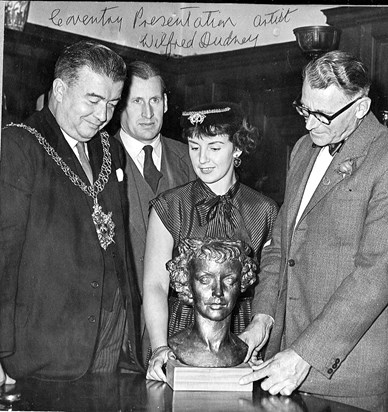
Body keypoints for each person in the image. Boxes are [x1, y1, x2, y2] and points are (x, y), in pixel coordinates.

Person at [239, 51, 388, 412]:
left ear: (361, 106)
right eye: (304, 109)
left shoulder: (383, 158)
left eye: (323, 114)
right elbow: (280, 247)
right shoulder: (304, 150)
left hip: (344, 373)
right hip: (282, 359)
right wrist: (263, 317)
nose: (309, 124)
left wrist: (306, 353)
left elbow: (376, 275)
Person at [0, 40, 144, 383]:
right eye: (92, 100)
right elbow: (3, 256)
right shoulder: (20, 145)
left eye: (111, 103)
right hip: (45, 348)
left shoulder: (110, 148)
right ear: (60, 90)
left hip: (110, 338)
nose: (102, 116)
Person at [143, 101, 279, 382]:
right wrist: (160, 347)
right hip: (181, 327)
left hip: (241, 330)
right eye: (194, 147)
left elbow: (272, 281)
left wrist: (256, 333)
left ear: (238, 148)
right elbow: (155, 285)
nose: (202, 159)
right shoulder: (170, 206)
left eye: (214, 148)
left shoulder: (264, 210)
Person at [113, 61, 196, 366]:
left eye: (154, 101)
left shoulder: (193, 157)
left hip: (182, 329)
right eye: (136, 101)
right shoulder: (99, 157)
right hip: (119, 335)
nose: (148, 113)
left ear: (166, 103)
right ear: (119, 104)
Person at [167, 238, 257, 368]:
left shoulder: (241, 349)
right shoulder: (177, 345)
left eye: (229, 280)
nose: (218, 292)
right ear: (187, 283)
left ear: (242, 282)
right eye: (205, 280)